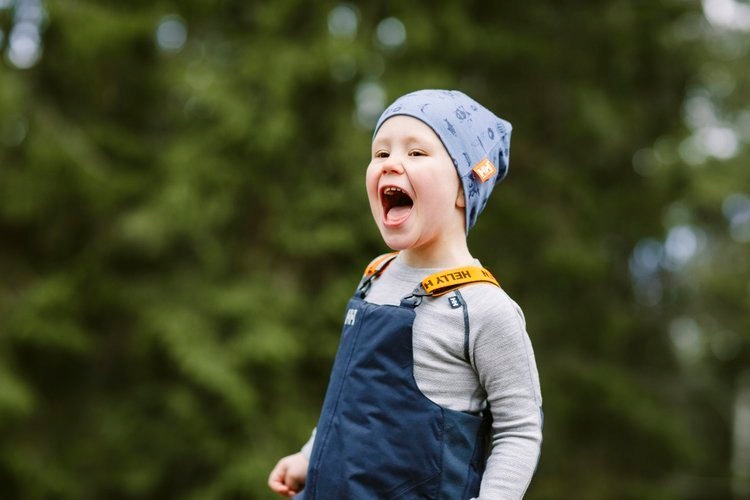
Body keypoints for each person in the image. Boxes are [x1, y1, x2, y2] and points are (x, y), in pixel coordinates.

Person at [268, 89, 543, 499]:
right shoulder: (375, 276)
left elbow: (519, 427)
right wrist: (309, 457)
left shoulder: (484, 307)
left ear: (463, 188)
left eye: (416, 153)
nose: (391, 163)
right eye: (381, 153)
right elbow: (349, 401)